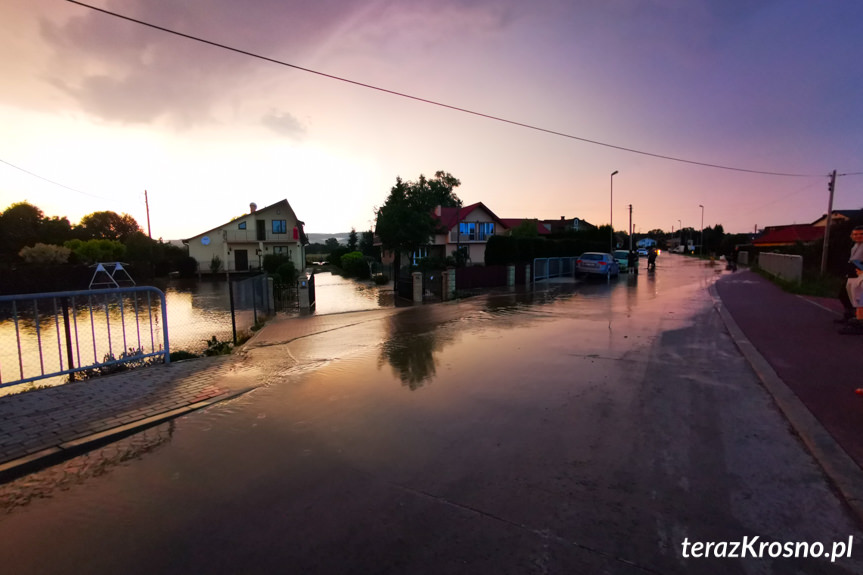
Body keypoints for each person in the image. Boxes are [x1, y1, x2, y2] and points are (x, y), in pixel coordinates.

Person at [837, 226, 863, 325]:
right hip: (851, 274)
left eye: (861, 234)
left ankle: (859, 321)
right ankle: (850, 315)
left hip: (859, 274)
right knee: (844, 295)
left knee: (859, 298)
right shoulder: (855, 246)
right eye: (856, 234)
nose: (858, 236)